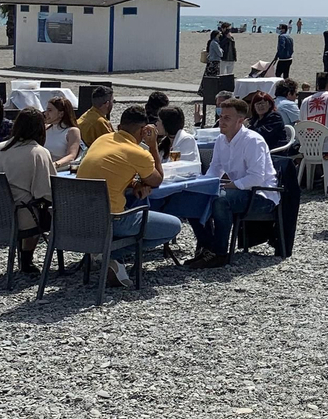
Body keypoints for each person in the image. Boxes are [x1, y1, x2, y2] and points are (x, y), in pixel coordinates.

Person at [77, 106, 181, 284]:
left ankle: (110, 259)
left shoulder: (102, 140)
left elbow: (112, 172)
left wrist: (134, 183)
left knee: (132, 205)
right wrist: (153, 147)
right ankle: (112, 254)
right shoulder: (138, 153)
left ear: (120, 125)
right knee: (174, 227)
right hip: (112, 219)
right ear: (143, 130)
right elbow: (157, 180)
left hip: (79, 218)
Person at [186, 97, 279, 268]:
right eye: (221, 116)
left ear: (240, 120)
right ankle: (207, 247)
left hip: (261, 194)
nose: (221, 121)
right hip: (240, 189)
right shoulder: (221, 140)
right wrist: (201, 185)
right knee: (194, 197)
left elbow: (256, 178)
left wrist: (228, 186)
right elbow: (215, 169)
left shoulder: (253, 141)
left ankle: (220, 253)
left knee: (221, 200)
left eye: (227, 118)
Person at [0, 108, 55, 274]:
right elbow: (47, 192)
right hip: (19, 216)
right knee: (42, 208)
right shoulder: (38, 152)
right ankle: (26, 260)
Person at [42, 95, 82, 169]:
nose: (45, 113)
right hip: (43, 167)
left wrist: (54, 165)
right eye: (46, 110)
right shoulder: (45, 128)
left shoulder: (72, 131)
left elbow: (71, 156)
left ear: (61, 114)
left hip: (60, 170)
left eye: (50, 110)